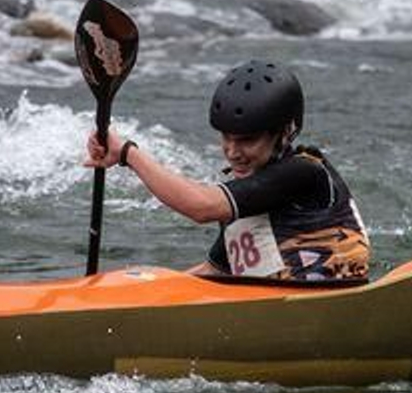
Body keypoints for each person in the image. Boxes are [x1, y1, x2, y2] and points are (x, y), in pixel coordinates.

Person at [84, 60, 370, 283]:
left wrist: (127, 153)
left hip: (329, 306)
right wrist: (141, 296)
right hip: (275, 313)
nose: (233, 152)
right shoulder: (246, 196)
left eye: (247, 140)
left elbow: (201, 207)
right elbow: (215, 271)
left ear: (285, 133)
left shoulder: (304, 172)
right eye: (226, 138)